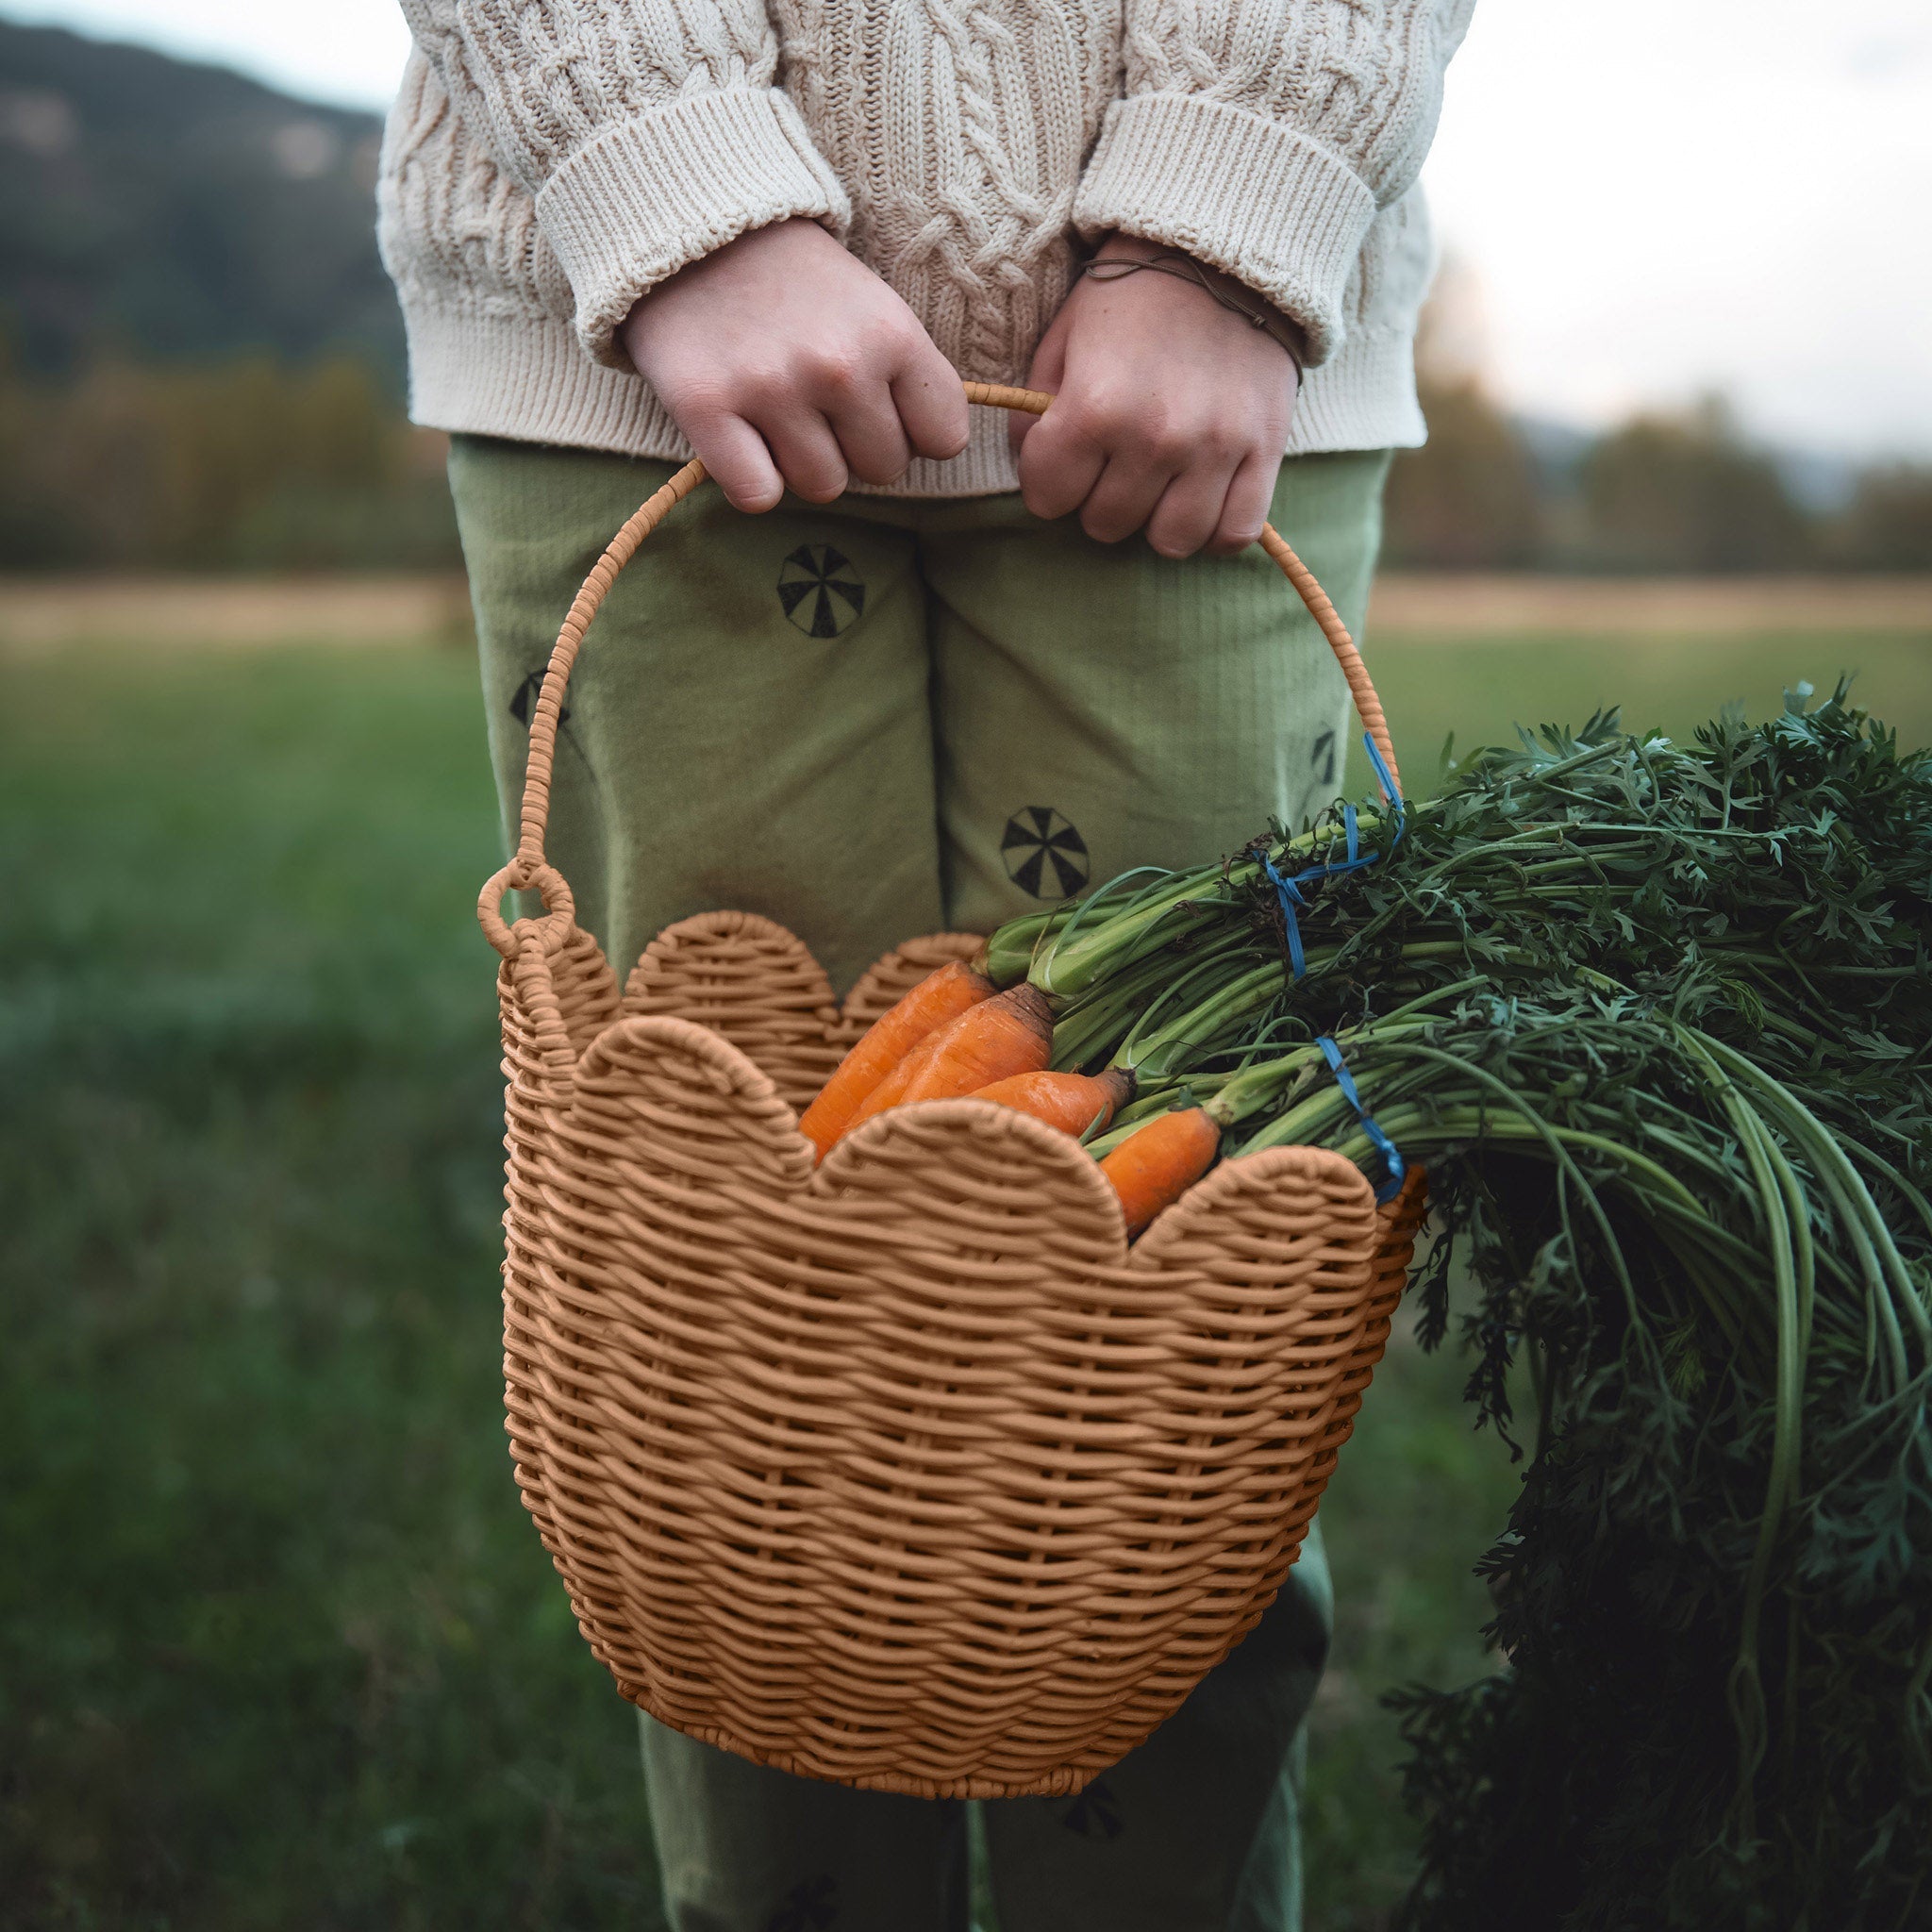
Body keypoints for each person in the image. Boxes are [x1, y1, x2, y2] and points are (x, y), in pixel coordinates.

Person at [381, 5, 1472, 1926]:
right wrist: (677, 177)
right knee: (731, 1385)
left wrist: (1231, 206)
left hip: (1204, 377)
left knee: (1169, 1397)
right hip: (624, 342)